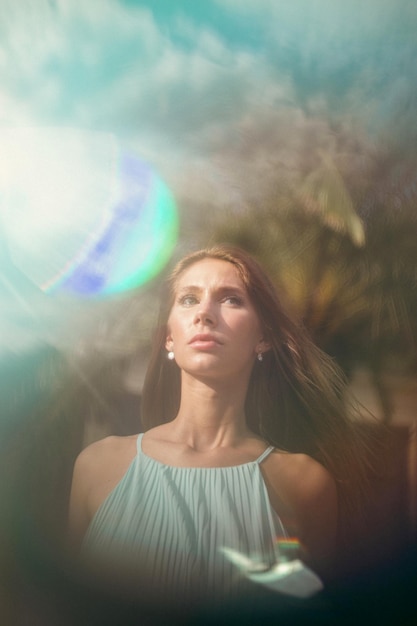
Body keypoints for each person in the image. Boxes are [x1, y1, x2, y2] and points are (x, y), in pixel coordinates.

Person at [68, 244, 371, 605]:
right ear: (169, 336)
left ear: (264, 338)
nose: (204, 314)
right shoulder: (98, 464)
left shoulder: (304, 484)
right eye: (188, 299)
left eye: (230, 300)